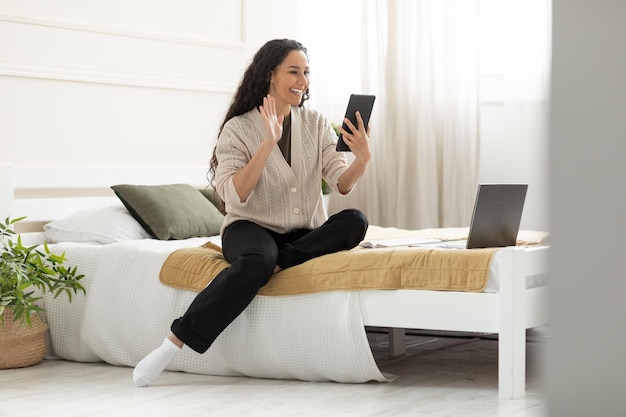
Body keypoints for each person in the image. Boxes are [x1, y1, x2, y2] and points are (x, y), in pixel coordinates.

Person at [132, 38, 372, 387]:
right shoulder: (239, 128)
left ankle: (280, 260)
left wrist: (362, 158)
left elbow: (342, 183)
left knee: (355, 221)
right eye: (294, 71)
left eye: (306, 72)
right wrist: (266, 144)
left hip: (301, 231)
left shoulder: (316, 122)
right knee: (257, 260)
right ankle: (173, 344)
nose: (303, 80)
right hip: (249, 226)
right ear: (270, 75)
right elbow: (235, 194)